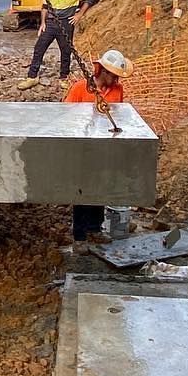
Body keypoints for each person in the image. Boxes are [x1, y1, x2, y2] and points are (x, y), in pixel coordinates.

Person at [64, 49, 132, 241]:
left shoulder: (117, 91)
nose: (117, 80)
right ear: (103, 71)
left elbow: (117, 117)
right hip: (82, 147)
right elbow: (66, 115)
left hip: (103, 148)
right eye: (114, 76)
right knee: (82, 191)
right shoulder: (80, 88)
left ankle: (95, 229)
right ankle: (79, 236)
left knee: (99, 188)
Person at [18, 0, 93, 85]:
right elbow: (45, 5)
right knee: (39, 48)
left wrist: (79, 15)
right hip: (51, 22)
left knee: (65, 50)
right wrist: (43, 23)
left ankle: (64, 77)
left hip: (66, 22)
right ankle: (32, 77)